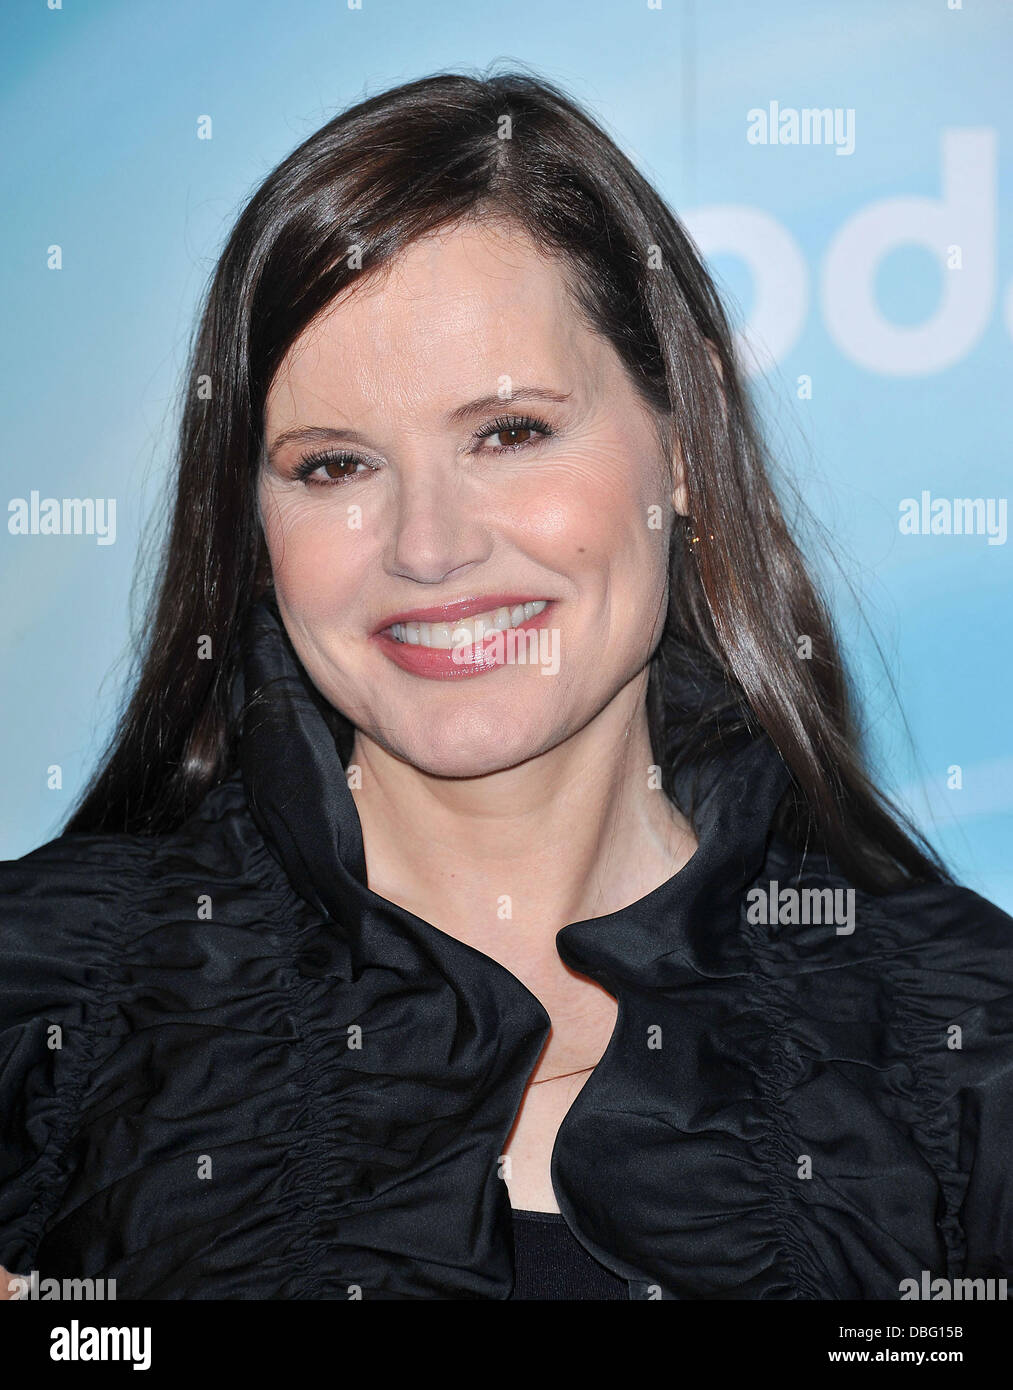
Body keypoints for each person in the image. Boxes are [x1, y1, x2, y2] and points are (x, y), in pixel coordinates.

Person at [1, 67, 1010, 1302]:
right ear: (255, 517)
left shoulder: (964, 1045)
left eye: (509, 432)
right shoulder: (41, 1005)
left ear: (683, 438)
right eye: (333, 466)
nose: (427, 546)